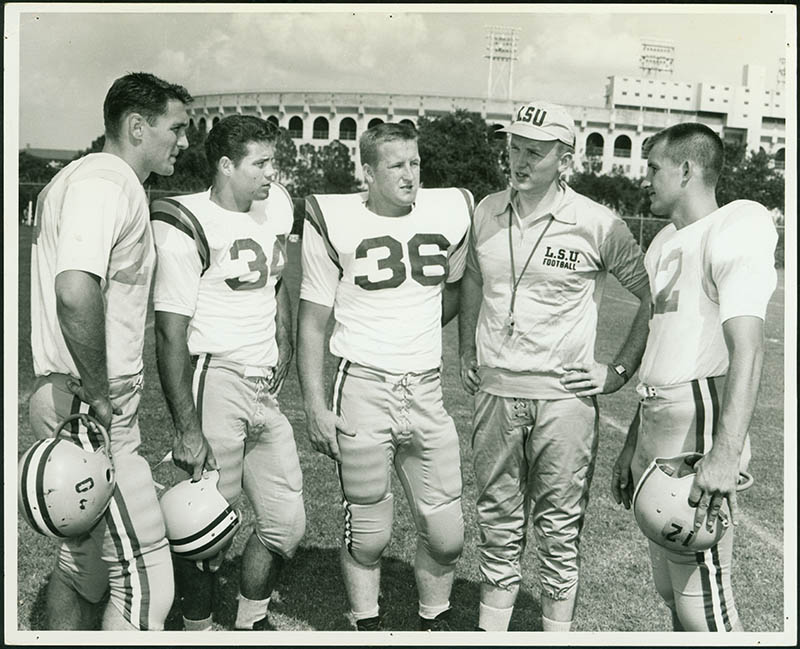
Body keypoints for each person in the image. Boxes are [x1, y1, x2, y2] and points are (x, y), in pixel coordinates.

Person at [458, 101, 652, 632]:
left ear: (565, 161)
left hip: (564, 400)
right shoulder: (485, 210)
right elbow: (473, 277)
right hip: (496, 394)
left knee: (559, 532)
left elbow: (651, 296)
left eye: (535, 153)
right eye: (515, 148)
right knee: (496, 524)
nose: (519, 161)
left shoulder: (598, 222)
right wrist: (465, 348)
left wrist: (618, 371)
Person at [28, 72, 192, 630]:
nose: (183, 141)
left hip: (67, 393)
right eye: (176, 128)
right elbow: (75, 291)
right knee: (147, 582)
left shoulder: (80, 176)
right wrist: (99, 393)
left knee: (84, 570)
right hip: (92, 406)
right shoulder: (107, 181)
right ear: (137, 126)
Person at [296, 122, 472, 631]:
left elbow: (454, 291)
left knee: (447, 531)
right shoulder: (335, 218)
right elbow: (312, 322)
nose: (410, 174)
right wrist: (314, 405)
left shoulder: (452, 209)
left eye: (415, 163)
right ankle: (366, 622)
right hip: (363, 386)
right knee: (369, 528)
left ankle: (434, 620)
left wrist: (411, 331)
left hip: (426, 388)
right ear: (368, 172)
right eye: (396, 165)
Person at [610, 123, 777, 631]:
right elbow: (663, 346)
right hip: (659, 415)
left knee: (703, 600)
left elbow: (748, 348)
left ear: (685, 170)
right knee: (673, 589)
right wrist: (632, 443)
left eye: (654, 168)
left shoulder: (736, 223)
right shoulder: (665, 240)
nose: (646, 179)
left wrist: (725, 455)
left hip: (699, 416)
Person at [151, 115, 305, 631]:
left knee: (285, 524)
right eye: (259, 164)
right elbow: (169, 332)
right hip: (215, 377)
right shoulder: (188, 220)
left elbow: (275, 278)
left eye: (271, 162)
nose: (270, 173)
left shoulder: (275, 206)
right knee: (204, 525)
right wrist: (186, 428)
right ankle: (195, 628)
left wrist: (283, 336)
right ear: (225, 165)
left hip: (263, 388)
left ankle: (250, 619)